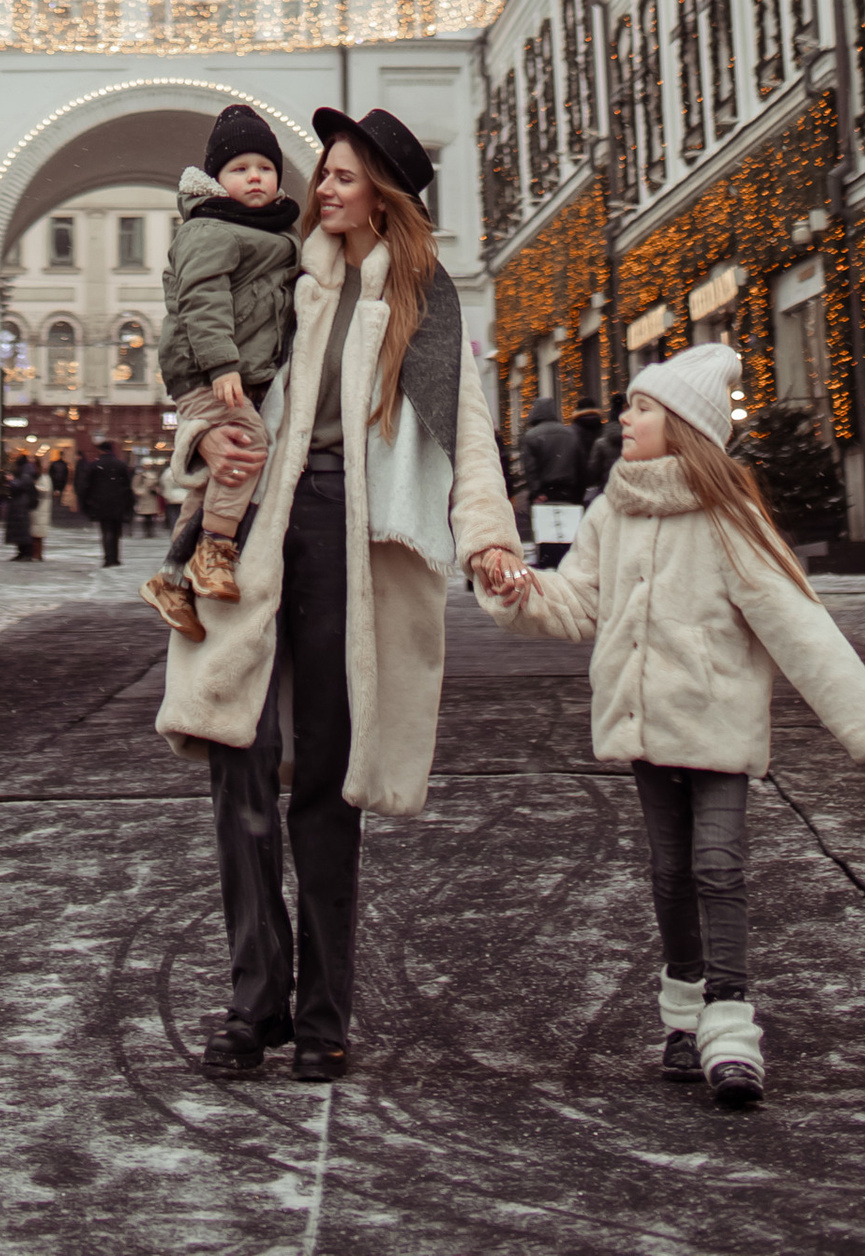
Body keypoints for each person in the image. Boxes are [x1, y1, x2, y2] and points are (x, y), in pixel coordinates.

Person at [159, 104, 518, 1083]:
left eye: (344, 177)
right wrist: (204, 437)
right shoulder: (282, 266)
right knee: (237, 755)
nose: (321, 188)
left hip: (348, 540)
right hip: (253, 524)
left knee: (325, 777)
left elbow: (465, 431)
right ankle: (252, 998)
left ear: (384, 195)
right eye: (321, 173)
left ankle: (321, 1015)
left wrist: (487, 539)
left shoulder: (420, 296)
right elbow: (197, 380)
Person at [472, 339, 865, 1112]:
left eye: (641, 407)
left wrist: (862, 721)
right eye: (632, 405)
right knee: (670, 873)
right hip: (643, 721)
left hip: (717, 718)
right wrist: (514, 588)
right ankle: (683, 1022)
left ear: (681, 424)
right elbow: (577, 604)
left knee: (718, 867)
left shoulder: (729, 514)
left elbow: (794, 620)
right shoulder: (614, 510)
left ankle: (732, 1032)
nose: (625, 418)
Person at [142, 105, 303, 634]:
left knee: (215, 476)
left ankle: (171, 577)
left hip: (231, 372)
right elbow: (202, 299)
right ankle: (215, 550)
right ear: (217, 180)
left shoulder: (270, 232)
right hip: (208, 371)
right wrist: (222, 365)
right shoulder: (211, 227)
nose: (254, 176)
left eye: (264, 166)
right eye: (239, 168)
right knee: (246, 448)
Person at [520, 390, 588, 570]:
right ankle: (567, 564)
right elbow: (581, 466)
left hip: (545, 493)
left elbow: (531, 469)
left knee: (546, 531)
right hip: (568, 492)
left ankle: (547, 562)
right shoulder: (570, 434)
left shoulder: (531, 436)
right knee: (568, 532)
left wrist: (537, 492)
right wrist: (578, 494)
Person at [81, 430, 135, 567]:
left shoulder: (95, 466)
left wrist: (87, 503)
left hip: (101, 503)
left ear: (100, 450)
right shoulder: (121, 465)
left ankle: (108, 558)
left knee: (106, 531)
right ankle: (115, 558)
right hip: (118, 503)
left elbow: (87, 486)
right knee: (116, 531)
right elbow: (128, 486)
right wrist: (129, 504)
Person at [1, 449, 41, 562]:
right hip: (20, 504)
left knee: (22, 530)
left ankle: (26, 553)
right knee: (19, 530)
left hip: (21, 505)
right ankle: (21, 552)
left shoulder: (25, 473)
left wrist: (12, 481)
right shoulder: (25, 471)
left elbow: (21, 486)